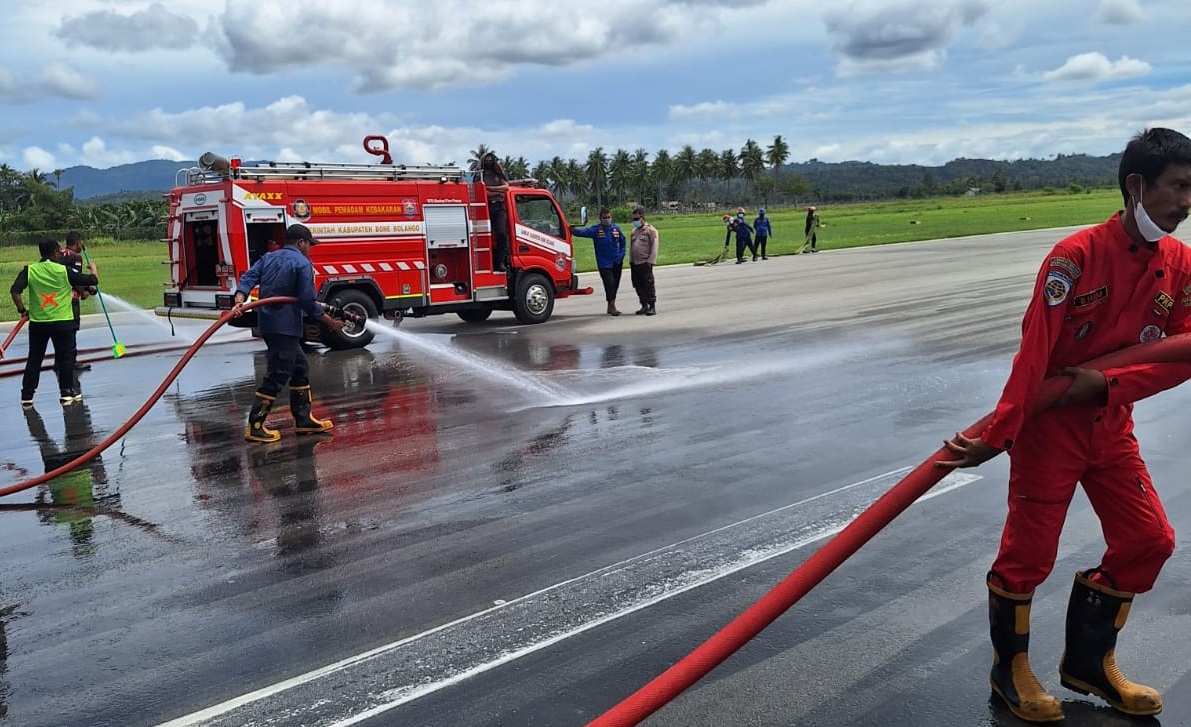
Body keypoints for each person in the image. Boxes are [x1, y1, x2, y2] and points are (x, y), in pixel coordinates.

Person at [937, 127, 1191, 723]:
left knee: (1149, 540)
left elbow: (1180, 355)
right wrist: (997, 438)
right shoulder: (1074, 258)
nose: (1187, 201)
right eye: (1179, 187)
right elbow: (1035, 354)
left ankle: (1088, 663)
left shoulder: (1180, 264)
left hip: (1110, 425)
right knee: (1029, 554)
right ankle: (1010, 673)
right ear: (1137, 186)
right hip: (1048, 430)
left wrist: (1106, 383)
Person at [230, 224, 346, 442]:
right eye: (309, 244)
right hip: (284, 327)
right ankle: (255, 425)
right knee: (278, 373)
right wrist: (331, 323)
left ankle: (303, 420)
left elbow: (247, 279)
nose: (310, 249)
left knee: (299, 367)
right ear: (301, 242)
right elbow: (308, 303)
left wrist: (239, 299)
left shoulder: (269, 258)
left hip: (269, 325)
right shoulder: (302, 263)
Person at [10, 237, 99, 406]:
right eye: (59, 251)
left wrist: (22, 311)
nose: (61, 254)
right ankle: (66, 392)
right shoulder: (63, 270)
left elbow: (15, 291)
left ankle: (27, 396)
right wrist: (94, 269)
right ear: (53, 253)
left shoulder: (30, 270)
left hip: (38, 324)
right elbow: (92, 281)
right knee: (65, 358)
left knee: (35, 359)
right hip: (63, 322)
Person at [571, 208, 626, 315]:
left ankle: (611, 305)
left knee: (615, 284)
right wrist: (572, 229)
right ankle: (612, 306)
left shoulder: (616, 229)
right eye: (604, 218)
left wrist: (621, 255)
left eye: (608, 217)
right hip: (604, 263)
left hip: (617, 261)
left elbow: (623, 242)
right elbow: (582, 232)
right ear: (600, 219)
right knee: (609, 284)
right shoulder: (595, 230)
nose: (607, 220)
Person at [60, 231, 96, 371]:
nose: (82, 245)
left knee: (62, 331)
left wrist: (88, 288)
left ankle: (60, 361)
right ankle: (72, 361)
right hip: (72, 298)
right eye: (81, 242)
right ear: (77, 243)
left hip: (60, 299)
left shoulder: (60, 253)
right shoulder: (76, 257)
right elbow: (74, 278)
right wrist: (83, 291)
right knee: (72, 330)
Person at [479, 152, 511, 272]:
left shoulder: (498, 174)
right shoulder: (480, 176)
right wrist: (498, 192)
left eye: (490, 160)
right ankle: (487, 262)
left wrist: (490, 189)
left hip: (499, 207)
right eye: (486, 160)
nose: (489, 162)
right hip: (486, 208)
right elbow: (483, 193)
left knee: (502, 234)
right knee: (485, 236)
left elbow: (506, 187)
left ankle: (500, 262)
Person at [628, 207, 658, 315]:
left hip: (645, 262)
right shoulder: (634, 231)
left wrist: (651, 261)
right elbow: (631, 247)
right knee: (638, 284)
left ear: (643, 218)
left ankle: (652, 306)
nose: (635, 221)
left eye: (637, 219)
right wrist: (631, 260)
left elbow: (654, 246)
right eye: (634, 219)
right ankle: (644, 305)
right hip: (635, 262)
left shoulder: (650, 230)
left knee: (648, 284)